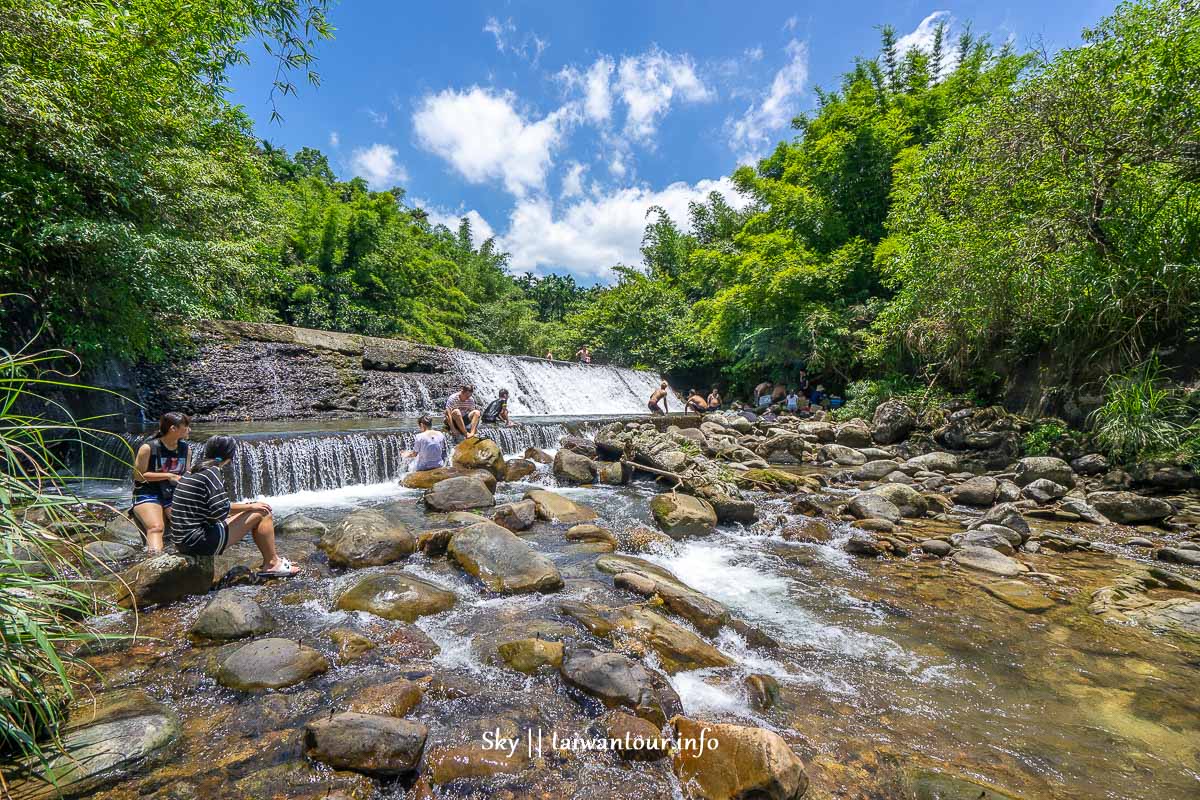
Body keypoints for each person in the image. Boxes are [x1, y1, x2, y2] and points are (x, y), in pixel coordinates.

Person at [170, 435, 298, 577]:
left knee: (254, 507)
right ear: (230, 455)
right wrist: (250, 507)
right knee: (263, 512)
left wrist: (247, 507)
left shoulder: (194, 470)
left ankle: (275, 559)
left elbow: (211, 510)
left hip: (182, 540)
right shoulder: (212, 472)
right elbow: (221, 510)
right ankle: (273, 564)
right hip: (198, 542)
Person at [131, 412, 192, 555]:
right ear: (173, 429)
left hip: (173, 494)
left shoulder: (185, 449)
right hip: (148, 493)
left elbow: (187, 473)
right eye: (186, 427)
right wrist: (169, 475)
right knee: (156, 527)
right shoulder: (148, 448)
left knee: (186, 526)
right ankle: (154, 563)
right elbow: (139, 476)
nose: (189, 430)